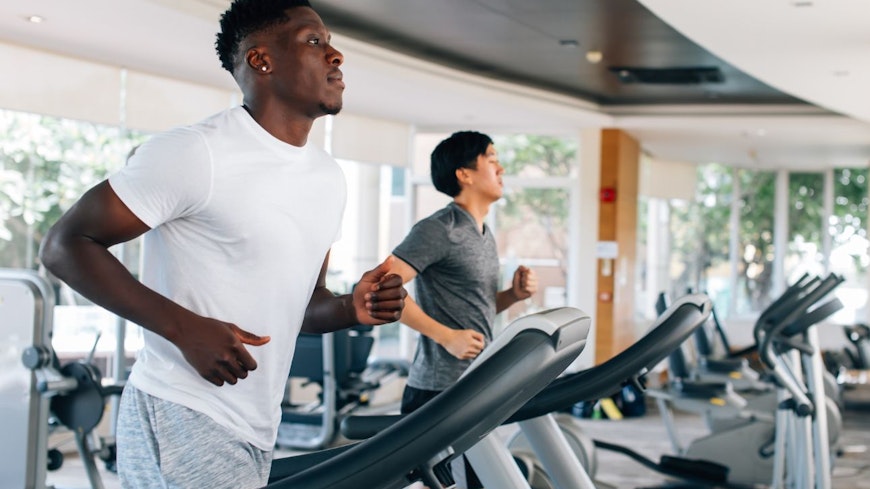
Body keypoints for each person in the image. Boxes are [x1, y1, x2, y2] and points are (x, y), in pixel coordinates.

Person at [39, 1, 406, 488]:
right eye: (314, 41)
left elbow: (305, 306)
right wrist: (184, 328)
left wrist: (351, 308)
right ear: (261, 60)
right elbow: (66, 245)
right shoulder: (195, 151)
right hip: (181, 411)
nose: (335, 55)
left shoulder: (328, 178)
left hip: (257, 424)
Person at [387, 130, 538, 488]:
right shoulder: (440, 229)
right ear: (465, 174)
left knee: (482, 479)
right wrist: (445, 336)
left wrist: (511, 296)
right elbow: (382, 288)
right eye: (491, 158)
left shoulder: (483, 233)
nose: (501, 168)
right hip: (439, 390)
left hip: (473, 380)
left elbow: (476, 304)